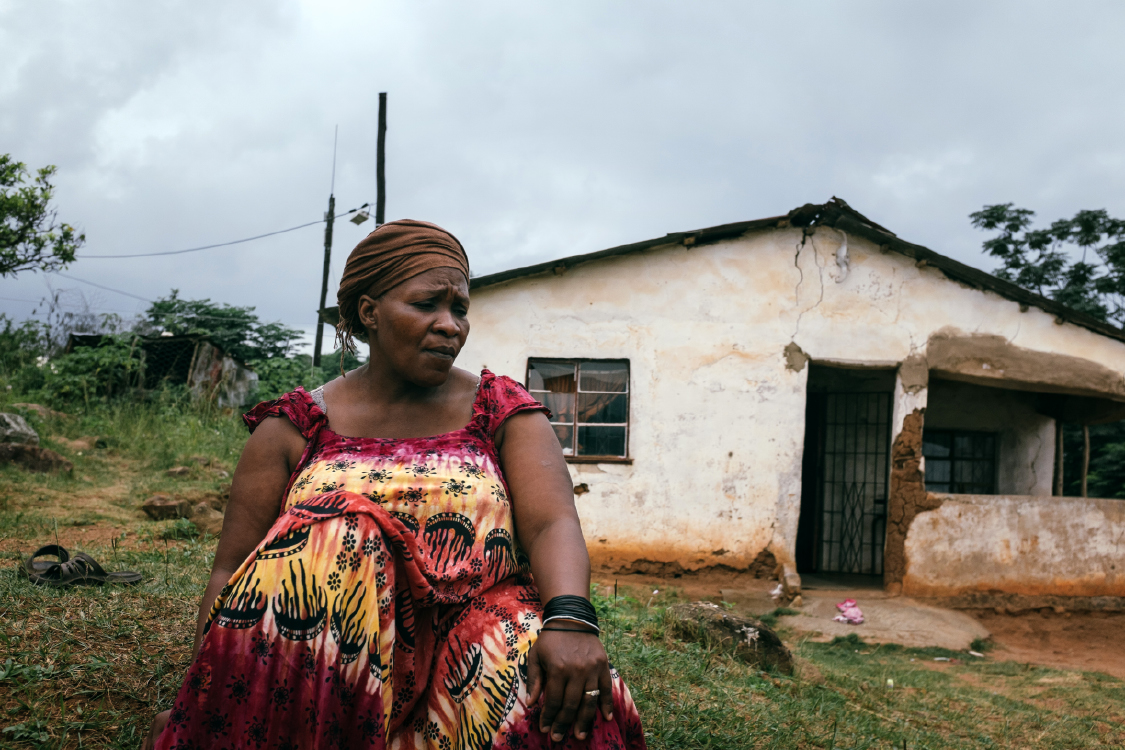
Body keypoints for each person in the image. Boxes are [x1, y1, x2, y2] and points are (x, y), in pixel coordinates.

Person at [145, 219, 646, 749]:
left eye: (459, 309)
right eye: (427, 304)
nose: (450, 325)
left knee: (567, 704)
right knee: (338, 531)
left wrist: (571, 621)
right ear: (370, 313)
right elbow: (234, 568)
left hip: (475, 628)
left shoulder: (501, 411)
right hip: (331, 650)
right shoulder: (292, 427)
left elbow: (552, 524)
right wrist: (200, 694)